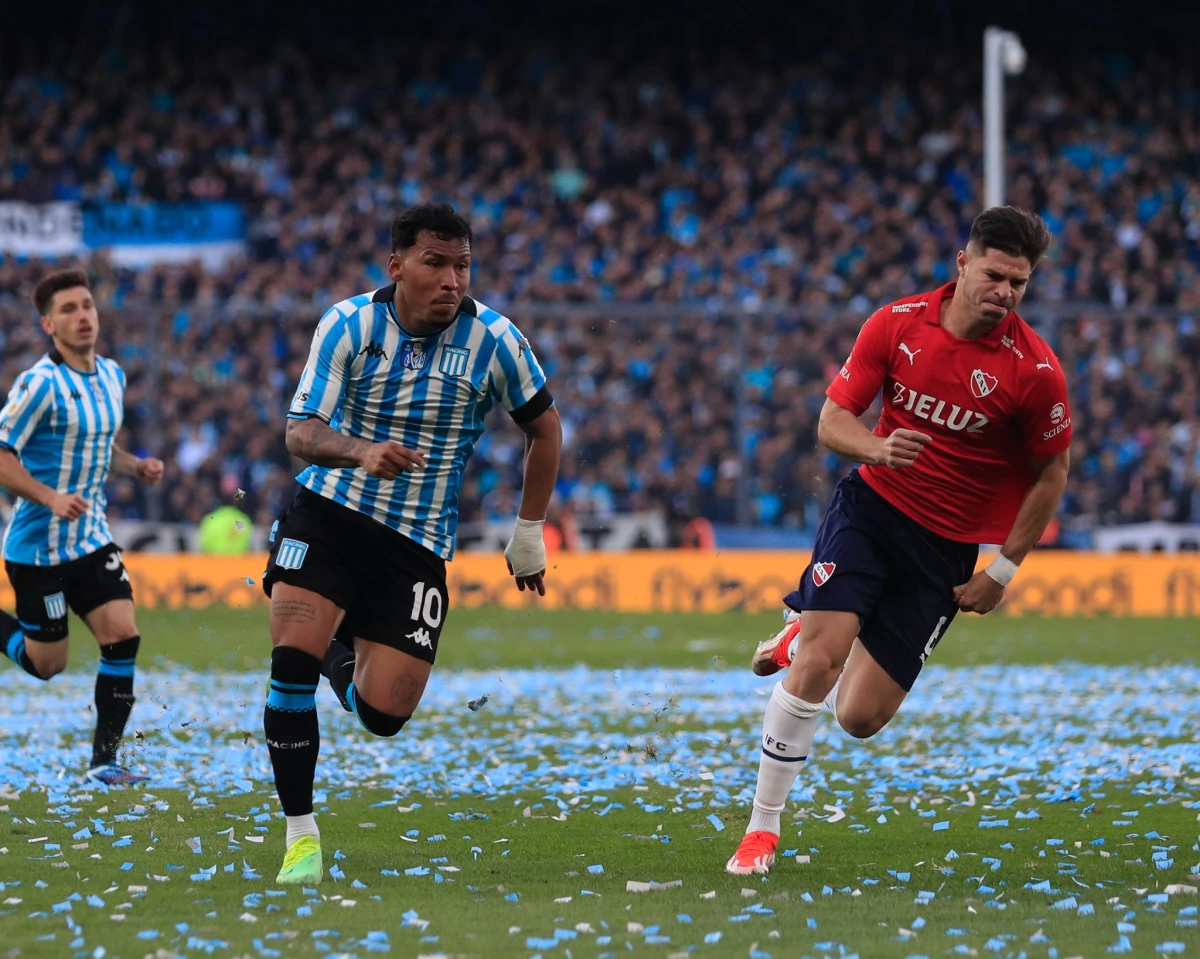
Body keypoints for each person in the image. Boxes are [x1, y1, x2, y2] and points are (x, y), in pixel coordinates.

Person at [727, 207, 1072, 875]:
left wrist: (1003, 569)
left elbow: (1052, 472)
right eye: (995, 275)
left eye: (1019, 283)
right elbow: (832, 420)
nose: (1005, 292)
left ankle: (802, 632)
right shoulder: (897, 323)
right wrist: (877, 449)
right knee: (821, 663)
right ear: (963, 264)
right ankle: (762, 828)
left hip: (945, 549)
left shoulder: (1035, 371)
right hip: (871, 510)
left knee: (859, 717)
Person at [261, 203, 562, 884]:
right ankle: (301, 836)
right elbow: (300, 432)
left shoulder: (496, 340)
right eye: (435, 263)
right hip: (329, 514)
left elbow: (545, 429)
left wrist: (528, 530)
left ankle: (335, 647)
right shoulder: (348, 325)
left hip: (417, 541)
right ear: (396, 265)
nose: (452, 280)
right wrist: (361, 451)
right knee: (290, 666)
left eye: (462, 265)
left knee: (384, 712)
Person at [0, 268, 165, 785]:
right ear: (48, 325)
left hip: (91, 539)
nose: (82, 316)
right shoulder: (39, 384)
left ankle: (104, 762)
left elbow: (97, 447)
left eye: (87, 305)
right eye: (68, 310)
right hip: (38, 550)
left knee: (123, 636)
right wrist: (50, 497)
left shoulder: (112, 375)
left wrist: (134, 466)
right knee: (46, 665)